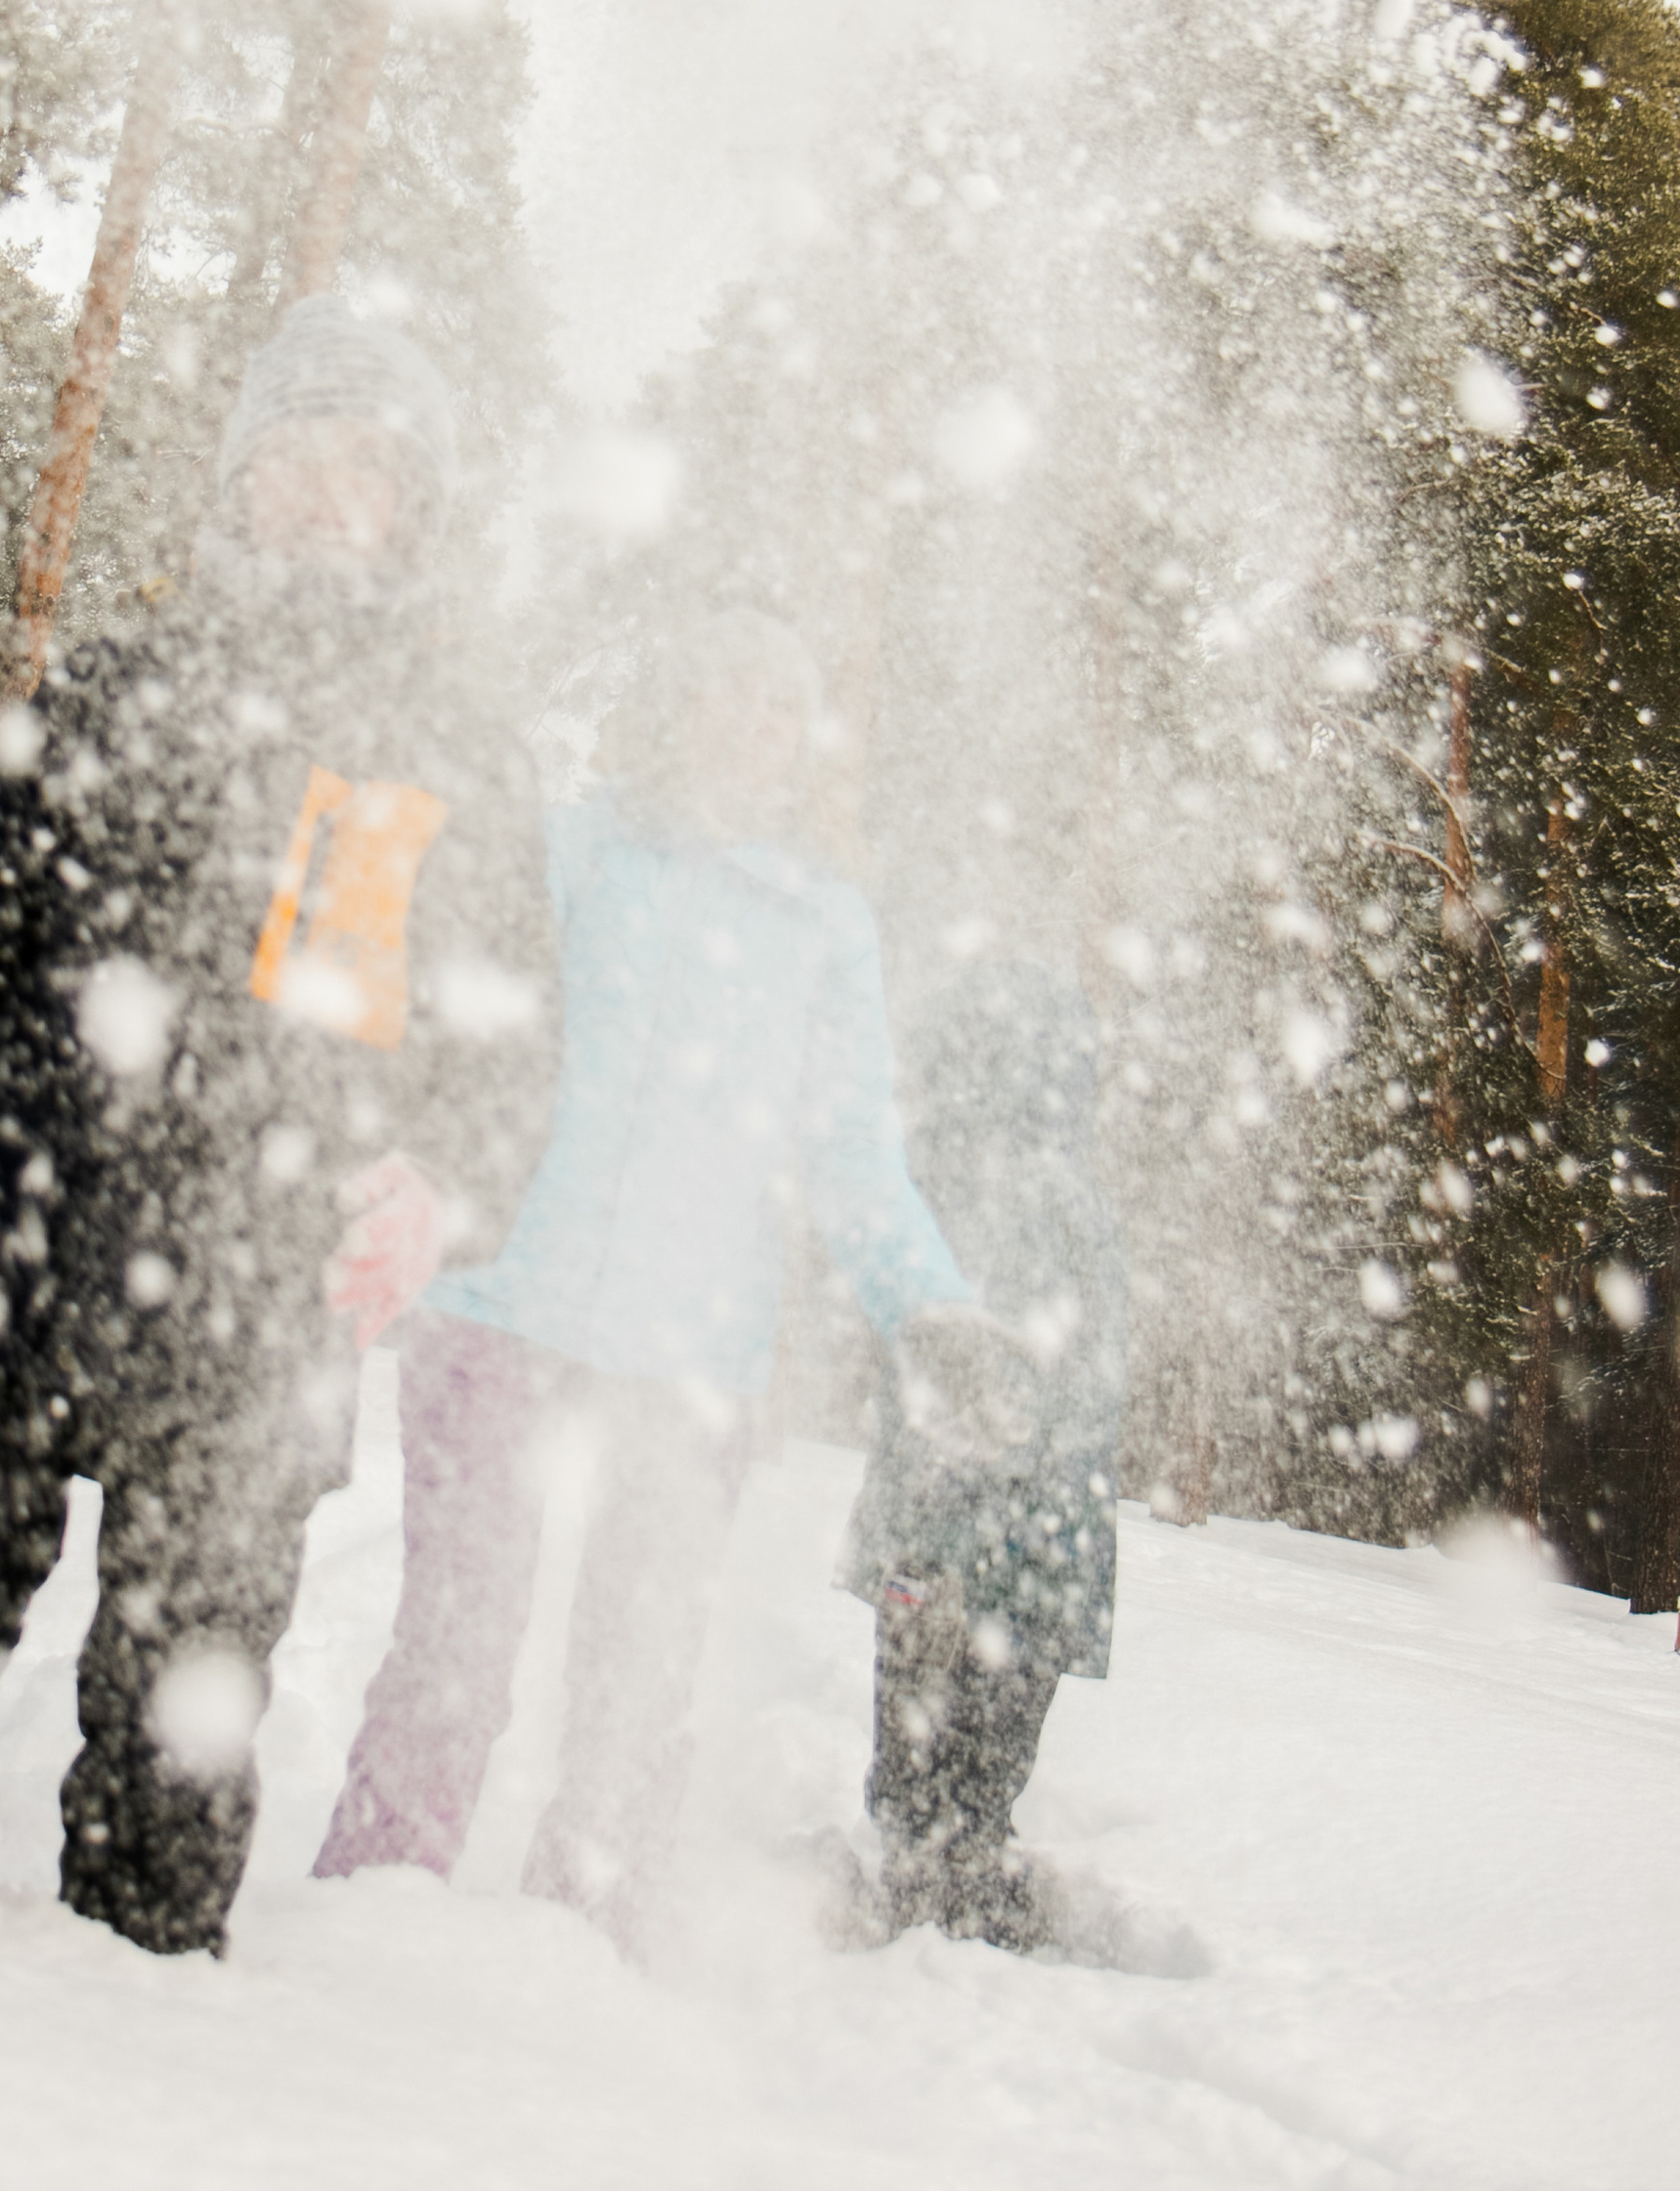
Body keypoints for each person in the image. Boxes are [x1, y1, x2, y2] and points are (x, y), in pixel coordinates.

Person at [0, 295, 561, 1958]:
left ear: (417, 504)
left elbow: (504, 1061)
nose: (328, 493)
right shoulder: (118, 687)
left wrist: (443, 1186)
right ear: (244, 477)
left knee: (170, 1786)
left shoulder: (463, 763)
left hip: (256, 1303)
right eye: (299, 454)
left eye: (369, 464)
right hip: (12, 1240)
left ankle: (119, 2123)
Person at [313, 607, 972, 1956]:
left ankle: (591, 1953)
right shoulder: (566, 853)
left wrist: (933, 1305)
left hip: (691, 1358)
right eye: (722, 689)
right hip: (499, 1313)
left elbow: (852, 1152)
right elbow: (455, 1035)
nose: (747, 723)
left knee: (636, 1682)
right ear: (672, 704)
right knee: (455, 1652)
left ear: (798, 742)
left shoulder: (818, 922)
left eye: (776, 705)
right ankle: (367, 1931)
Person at [836, 959, 1126, 1951]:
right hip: (1033, 1525)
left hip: (947, 1514)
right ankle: (960, 1860)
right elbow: (1089, 1375)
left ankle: (926, 1855)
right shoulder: (1065, 1195)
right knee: (991, 1714)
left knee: (923, 1704)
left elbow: (911, 1350)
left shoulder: (936, 1179)